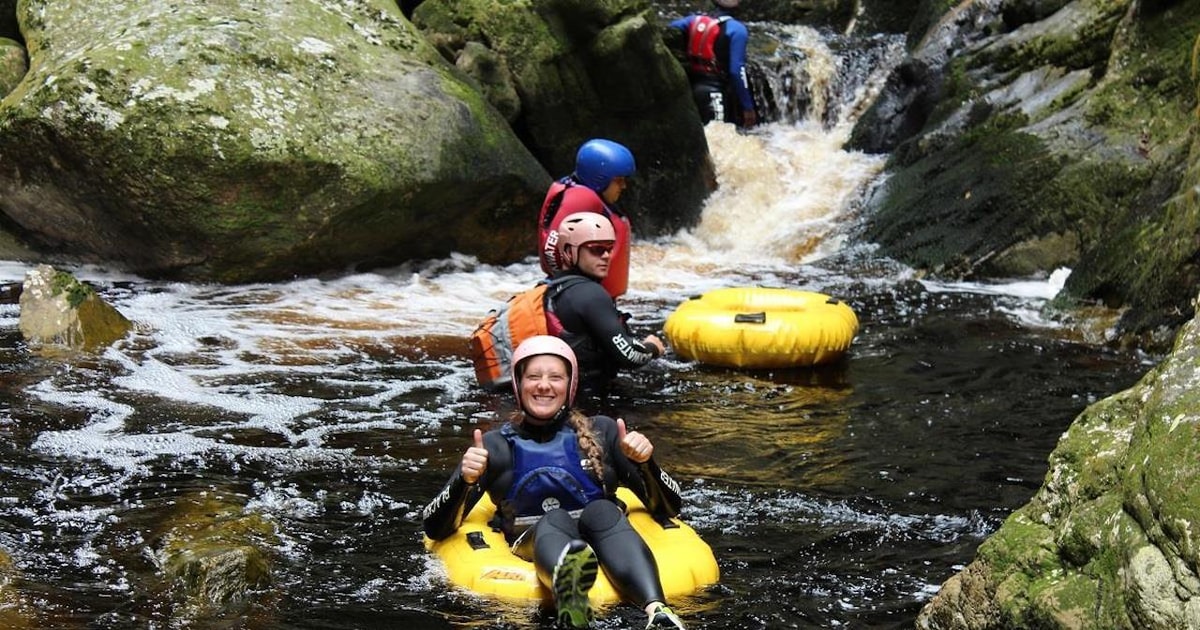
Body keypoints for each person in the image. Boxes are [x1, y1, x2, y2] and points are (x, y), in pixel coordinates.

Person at [422, 335, 688, 629]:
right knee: (555, 518)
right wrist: (465, 479)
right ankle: (572, 600)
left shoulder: (604, 432)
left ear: (570, 386)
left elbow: (669, 508)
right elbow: (435, 527)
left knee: (603, 511)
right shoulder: (495, 446)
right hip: (532, 540)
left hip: (602, 533)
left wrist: (645, 464)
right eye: (533, 376)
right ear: (519, 384)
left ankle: (658, 610)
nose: (544, 385)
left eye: (555, 377)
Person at [547, 212, 665, 401]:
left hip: (564, 395)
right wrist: (652, 347)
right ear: (569, 252)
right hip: (588, 399)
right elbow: (630, 355)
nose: (606, 255)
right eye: (596, 249)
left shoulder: (554, 286)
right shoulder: (590, 294)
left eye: (609, 248)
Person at [539, 139, 636, 299]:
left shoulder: (583, 194)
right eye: (619, 180)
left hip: (586, 294)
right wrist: (579, 292)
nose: (624, 186)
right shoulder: (581, 199)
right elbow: (552, 250)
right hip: (582, 298)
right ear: (599, 178)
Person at [668, 0, 759, 129]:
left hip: (692, 88)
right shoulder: (737, 30)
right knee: (719, 140)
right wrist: (748, 107)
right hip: (715, 93)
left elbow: (669, 28)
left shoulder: (692, 21)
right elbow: (737, 71)